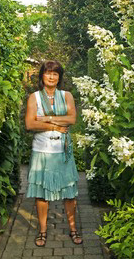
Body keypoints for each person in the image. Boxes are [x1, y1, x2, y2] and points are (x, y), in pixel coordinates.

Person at [25, 60, 82, 247]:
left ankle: (73, 229)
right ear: (42, 76)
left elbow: (72, 119)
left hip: (62, 151)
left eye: (55, 74)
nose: (51, 77)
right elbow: (30, 124)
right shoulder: (34, 97)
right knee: (41, 194)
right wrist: (56, 125)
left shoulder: (67, 96)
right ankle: (42, 231)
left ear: (59, 77)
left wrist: (47, 118)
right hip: (41, 151)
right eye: (48, 73)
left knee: (69, 193)